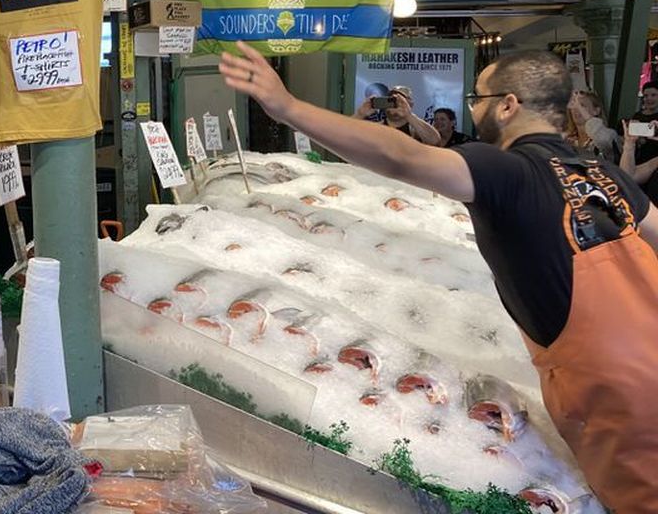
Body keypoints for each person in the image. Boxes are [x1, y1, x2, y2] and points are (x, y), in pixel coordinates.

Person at [219, 44, 658, 511]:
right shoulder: (604, 175)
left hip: (622, 405)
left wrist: (288, 108)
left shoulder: (508, 170)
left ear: (508, 106)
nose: (474, 107)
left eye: (479, 97)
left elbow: (401, 156)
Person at [353, 85, 442, 146]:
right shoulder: (376, 129)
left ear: (410, 104)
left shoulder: (416, 130)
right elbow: (344, 139)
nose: (395, 104)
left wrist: (409, 115)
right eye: (391, 100)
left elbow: (435, 141)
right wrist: (360, 114)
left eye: (400, 100)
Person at [566, 90, 620, 162]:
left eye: (582, 105)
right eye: (574, 105)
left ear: (596, 111)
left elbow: (602, 139)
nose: (577, 109)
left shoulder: (609, 134)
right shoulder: (567, 140)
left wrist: (587, 117)